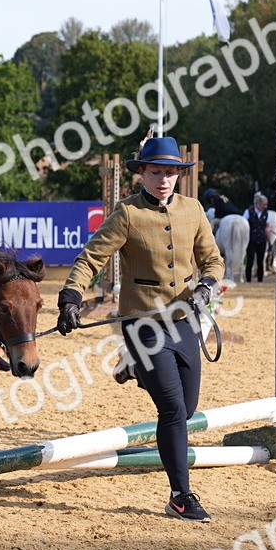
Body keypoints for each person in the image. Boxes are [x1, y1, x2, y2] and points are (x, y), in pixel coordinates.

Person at [56, 136, 224, 523]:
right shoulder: (127, 214)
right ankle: (181, 496)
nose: (164, 179)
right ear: (142, 174)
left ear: (179, 175)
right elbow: (91, 257)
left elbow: (212, 260)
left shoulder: (193, 210)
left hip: (184, 323)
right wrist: (70, 294)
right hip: (143, 325)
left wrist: (207, 284)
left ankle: (133, 368)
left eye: (170, 172)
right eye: (156, 172)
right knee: (172, 409)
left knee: (188, 409)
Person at [243, 193, 271, 283]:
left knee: (260, 261)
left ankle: (260, 280)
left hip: (262, 240)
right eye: (264, 204)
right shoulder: (249, 212)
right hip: (251, 239)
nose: (265, 206)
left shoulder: (266, 213)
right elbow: (244, 223)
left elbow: (268, 225)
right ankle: (248, 280)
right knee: (250, 261)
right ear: (258, 204)